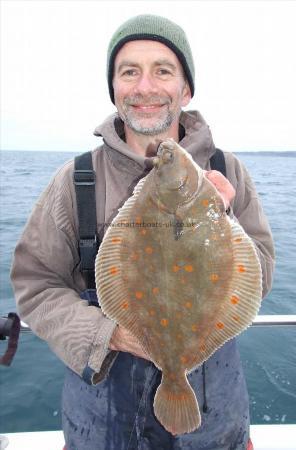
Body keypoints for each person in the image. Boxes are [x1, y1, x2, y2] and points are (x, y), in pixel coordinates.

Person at [11, 14, 274, 450]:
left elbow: (259, 279)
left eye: (163, 71)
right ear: (114, 89)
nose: (145, 87)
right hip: (101, 421)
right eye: (129, 71)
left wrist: (221, 222)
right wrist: (108, 333)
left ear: (185, 90)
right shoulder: (74, 180)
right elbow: (36, 286)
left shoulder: (229, 173)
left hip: (216, 417)